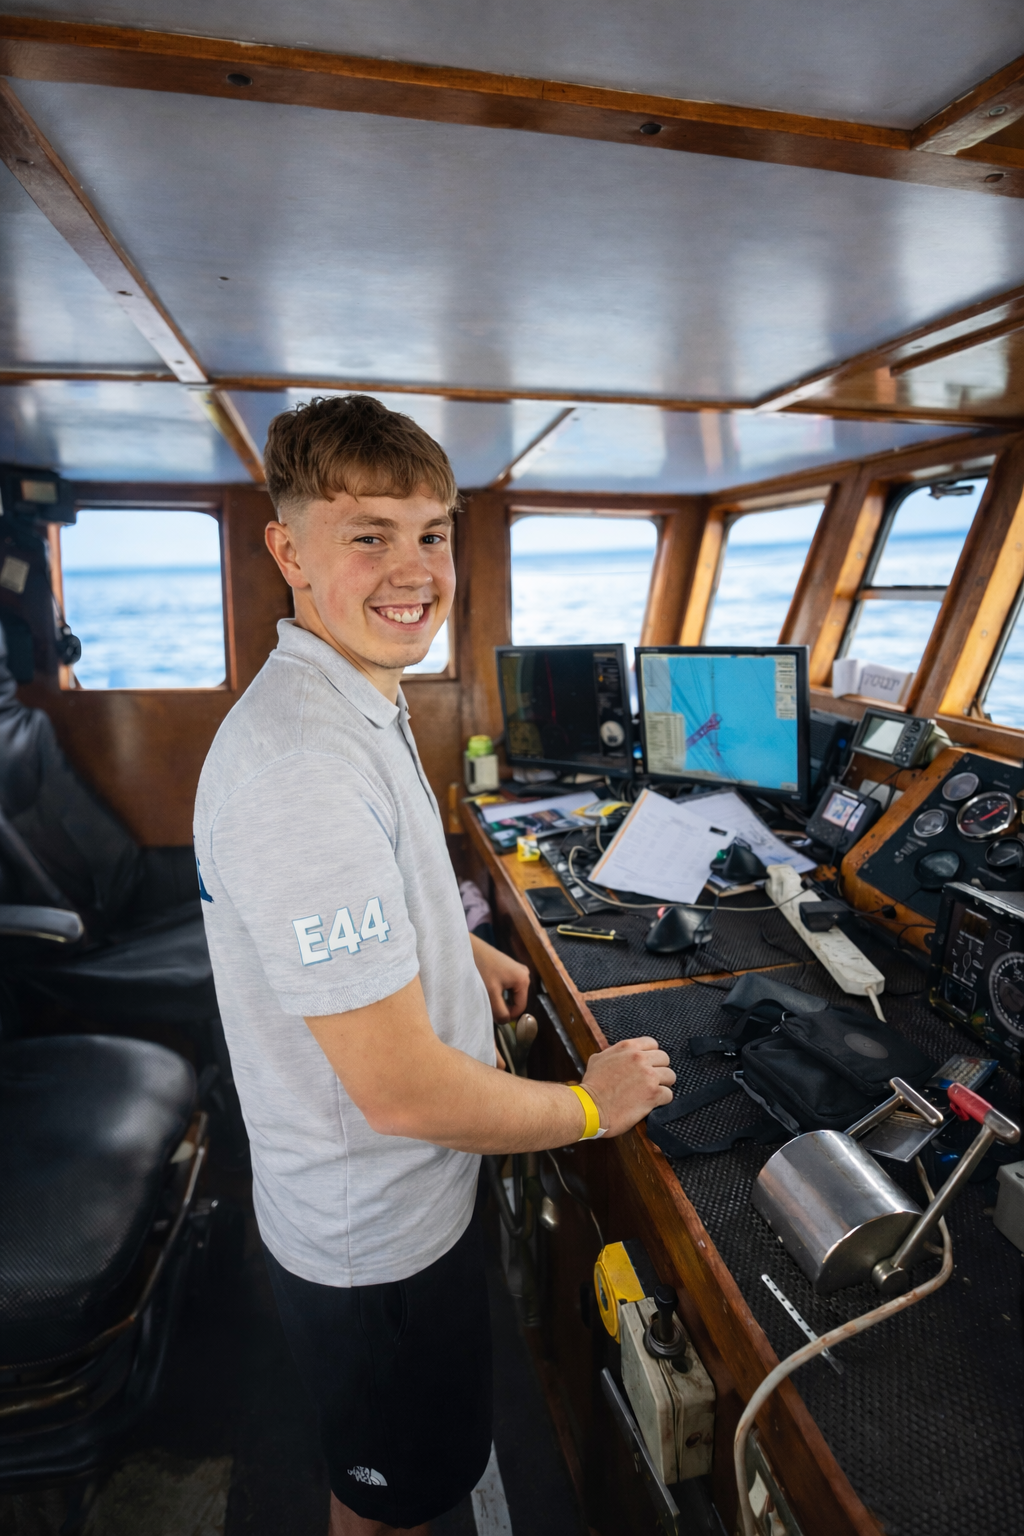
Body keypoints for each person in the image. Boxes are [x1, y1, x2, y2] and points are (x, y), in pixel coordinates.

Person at [193, 395, 675, 1536]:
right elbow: (401, 1092)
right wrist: (589, 1107)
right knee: (392, 1504)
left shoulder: (352, 693)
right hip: (375, 1239)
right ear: (288, 552)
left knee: (408, 1470)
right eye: (368, 535)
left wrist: (457, 948)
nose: (413, 570)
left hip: (396, 1208)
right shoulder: (302, 770)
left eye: (432, 532)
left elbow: (359, 901)